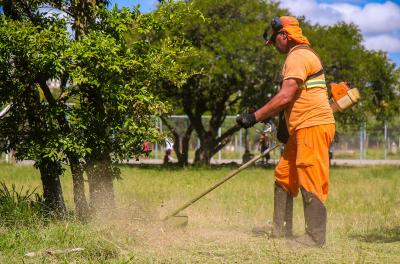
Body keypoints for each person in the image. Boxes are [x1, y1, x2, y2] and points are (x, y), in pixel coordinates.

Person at [236, 16, 335, 247]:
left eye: (274, 41)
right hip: (301, 128)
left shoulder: (298, 56)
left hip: (312, 125)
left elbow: (285, 96)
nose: (274, 46)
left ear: (284, 35)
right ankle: (280, 229)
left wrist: (254, 117)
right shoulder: (300, 56)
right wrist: (284, 129)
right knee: (284, 174)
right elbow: (293, 100)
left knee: (310, 176)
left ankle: (314, 237)